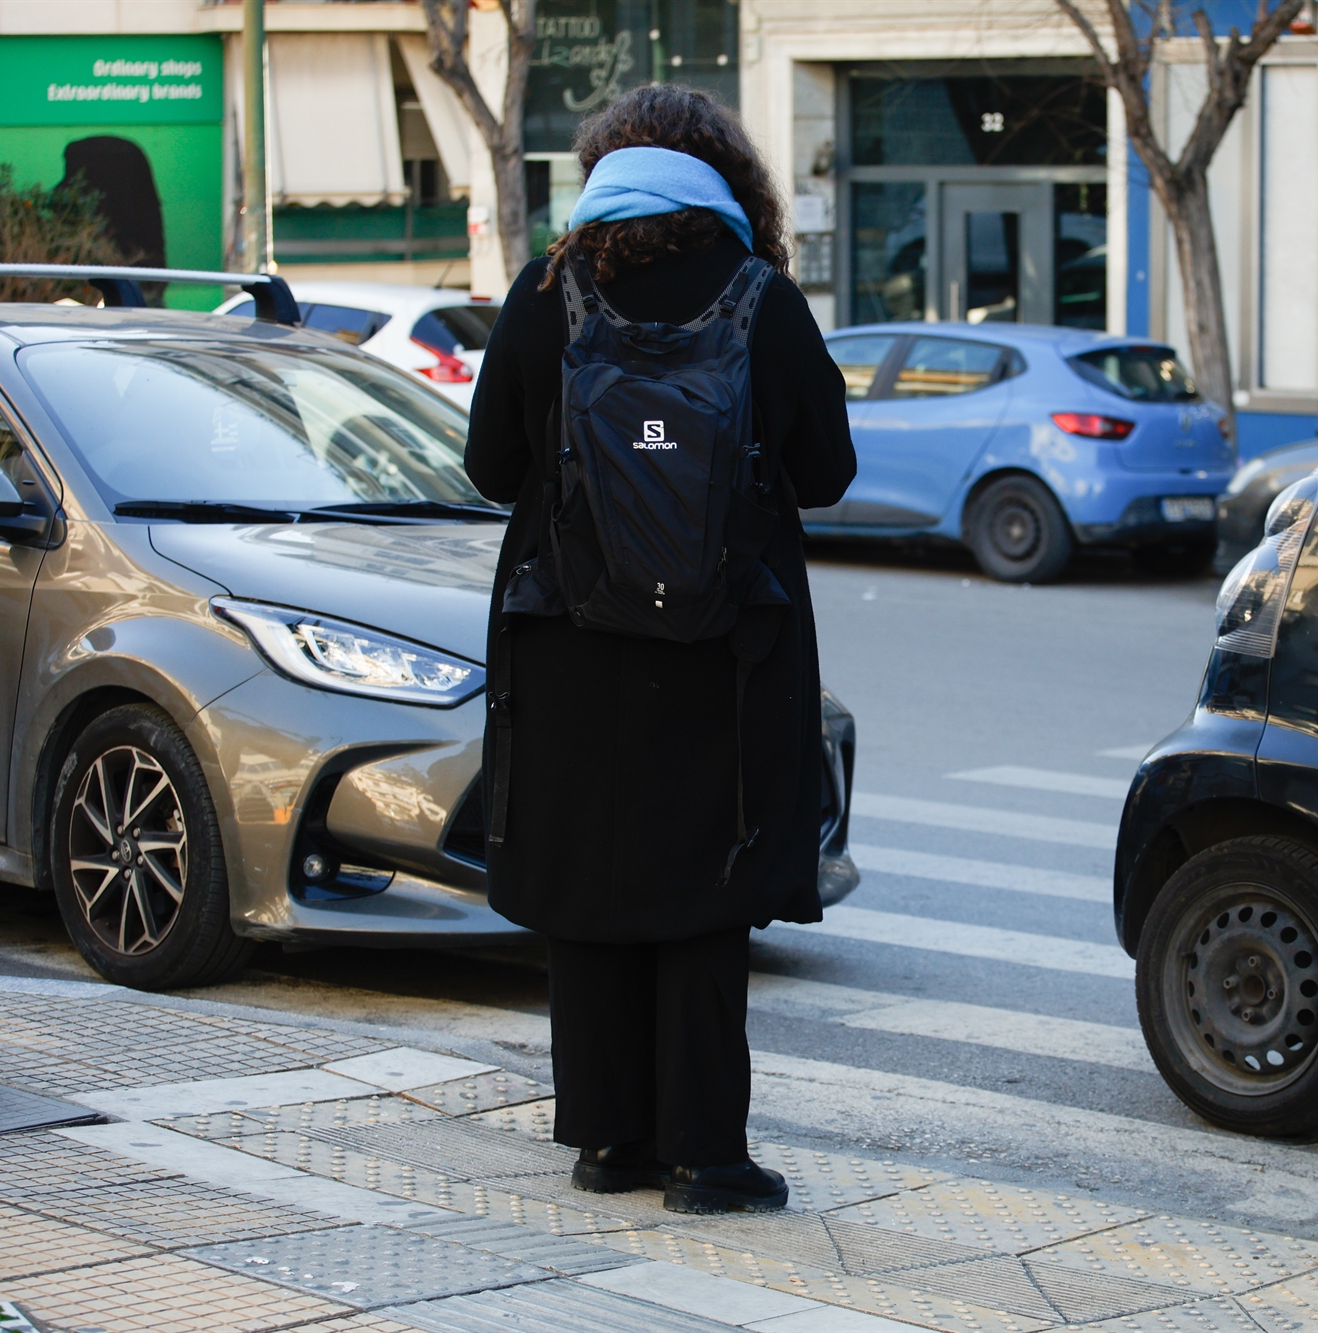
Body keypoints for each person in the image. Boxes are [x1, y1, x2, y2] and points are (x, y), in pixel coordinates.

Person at [464, 85, 855, 1214]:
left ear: (600, 173)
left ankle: (608, 1141)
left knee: (592, 883)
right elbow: (826, 472)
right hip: (723, 650)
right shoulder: (759, 299)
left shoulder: (548, 295)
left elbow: (492, 469)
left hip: (570, 643)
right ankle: (706, 1157)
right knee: (705, 886)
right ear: (727, 179)